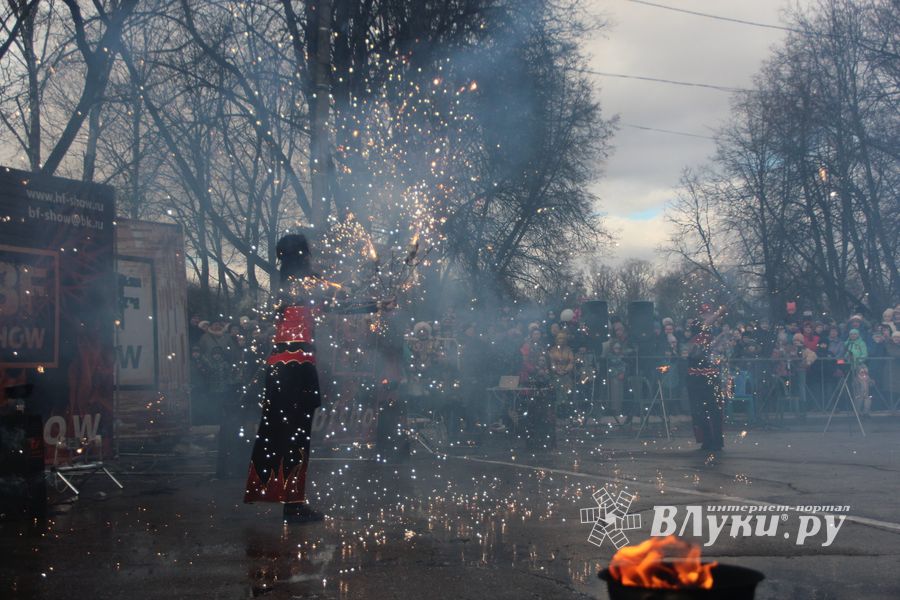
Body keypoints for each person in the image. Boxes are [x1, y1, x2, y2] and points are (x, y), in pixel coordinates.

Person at [244, 233, 389, 522]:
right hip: (296, 368)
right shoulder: (308, 285)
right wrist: (376, 304)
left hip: (280, 367)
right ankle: (293, 505)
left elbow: (336, 303)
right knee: (296, 435)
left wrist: (375, 305)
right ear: (303, 255)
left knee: (282, 433)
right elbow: (342, 302)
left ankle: (289, 500)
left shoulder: (286, 286)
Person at [686, 306, 726, 451]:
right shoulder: (695, 333)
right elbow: (694, 354)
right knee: (700, 410)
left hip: (709, 377)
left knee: (713, 409)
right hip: (697, 378)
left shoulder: (711, 335)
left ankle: (716, 440)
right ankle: (707, 440)